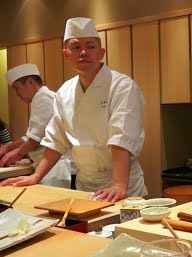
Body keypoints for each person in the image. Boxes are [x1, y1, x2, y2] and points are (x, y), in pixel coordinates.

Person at [0, 17, 147, 202]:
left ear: (101, 52)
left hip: (123, 186)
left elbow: (121, 138)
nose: (83, 52)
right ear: (66, 54)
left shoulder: (122, 86)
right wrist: (36, 176)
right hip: (85, 186)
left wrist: (118, 185)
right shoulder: (65, 92)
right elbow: (56, 139)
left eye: (91, 46)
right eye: (76, 47)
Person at [0, 64, 71, 188]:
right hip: (50, 166)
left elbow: (34, 140)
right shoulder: (41, 98)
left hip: (55, 166)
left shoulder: (43, 98)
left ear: (30, 82)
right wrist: (8, 148)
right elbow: (30, 137)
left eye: (17, 88)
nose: (17, 94)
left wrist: (15, 154)